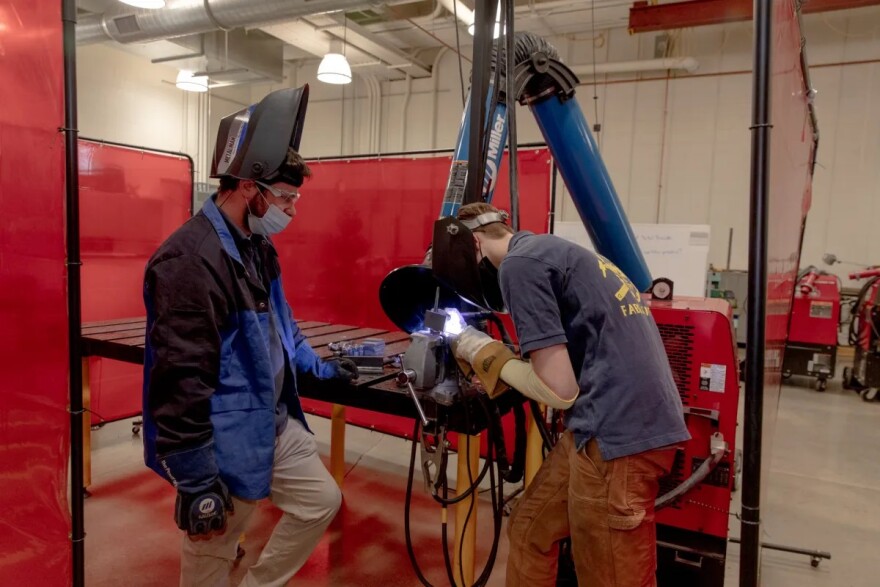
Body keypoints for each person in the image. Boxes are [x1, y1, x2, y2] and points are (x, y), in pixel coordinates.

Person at [142, 87, 357, 587]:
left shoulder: (257, 246)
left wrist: (322, 369)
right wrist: (197, 480)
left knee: (320, 500)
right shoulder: (191, 262)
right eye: (285, 198)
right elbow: (180, 380)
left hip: (269, 421)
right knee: (213, 552)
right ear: (246, 187)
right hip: (221, 436)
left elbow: (283, 326)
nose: (291, 210)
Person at [450, 202, 690, 587]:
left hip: (616, 439)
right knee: (529, 530)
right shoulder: (552, 250)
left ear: (474, 244)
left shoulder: (519, 265)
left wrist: (479, 351)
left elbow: (557, 390)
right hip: (601, 427)